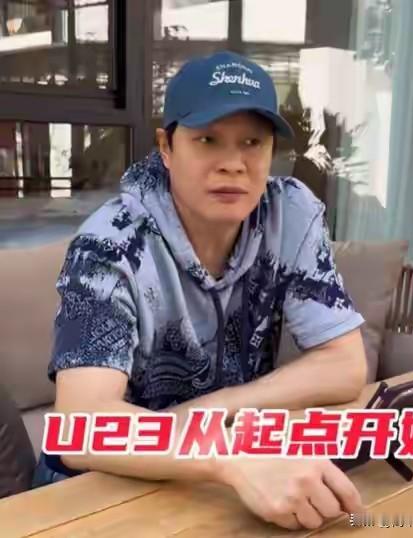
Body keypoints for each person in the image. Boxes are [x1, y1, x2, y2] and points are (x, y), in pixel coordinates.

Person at [32, 50, 368, 531]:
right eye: (207, 140)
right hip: (98, 491)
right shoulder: (110, 245)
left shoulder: (289, 214)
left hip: (215, 473)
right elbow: (83, 427)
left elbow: (345, 364)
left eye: (252, 142)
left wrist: (211, 413)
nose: (233, 164)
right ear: (167, 148)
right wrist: (231, 457)